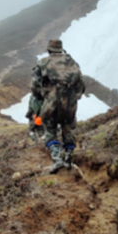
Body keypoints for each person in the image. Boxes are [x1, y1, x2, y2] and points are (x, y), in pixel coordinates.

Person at [31, 39, 86, 173]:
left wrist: (41, 97)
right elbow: (81, 84)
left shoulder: (43, 63)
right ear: (61, 50)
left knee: (50, 129)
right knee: (68, 129)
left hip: (51, 104)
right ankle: (68, 159)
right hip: (70, 105)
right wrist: (74, 97)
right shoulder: (72, 62)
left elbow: (34, 86)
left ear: (49, 50)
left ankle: (57, 159)